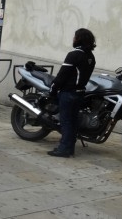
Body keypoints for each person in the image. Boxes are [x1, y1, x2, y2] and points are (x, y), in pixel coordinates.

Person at [47, 28, 96, 158]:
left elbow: (62, 75)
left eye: (75, 37)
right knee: (73, 122)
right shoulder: (90, 56)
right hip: (80, 93)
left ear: (79, 38)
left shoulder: (74, 55)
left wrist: (52, 89)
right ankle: (69, 148)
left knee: (66, 122)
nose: (73, 39)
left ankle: (63, 149)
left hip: (68, 92)